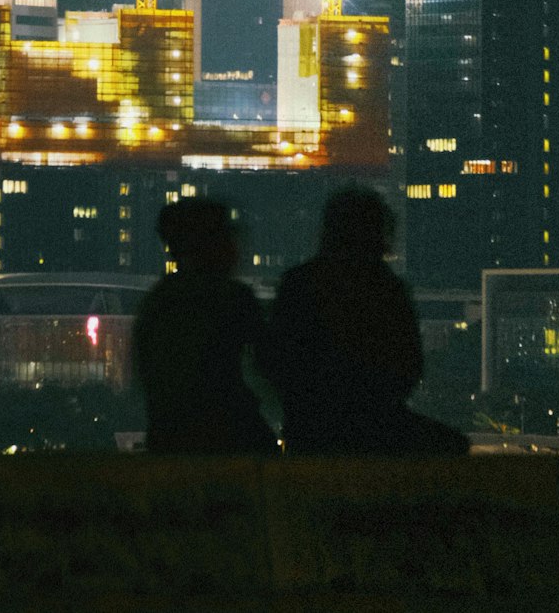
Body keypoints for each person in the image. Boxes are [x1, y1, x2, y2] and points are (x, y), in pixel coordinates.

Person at [261, 186, 469, 456]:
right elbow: (408, 366)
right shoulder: (387, 288)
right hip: (378, 424)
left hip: (310, 427)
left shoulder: (299, 283)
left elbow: (273, 361)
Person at [133, 198, 277, 455]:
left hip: (169, 443)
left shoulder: (159, 301)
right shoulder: (231, 297)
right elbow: (271, 363)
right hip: (229, 440)